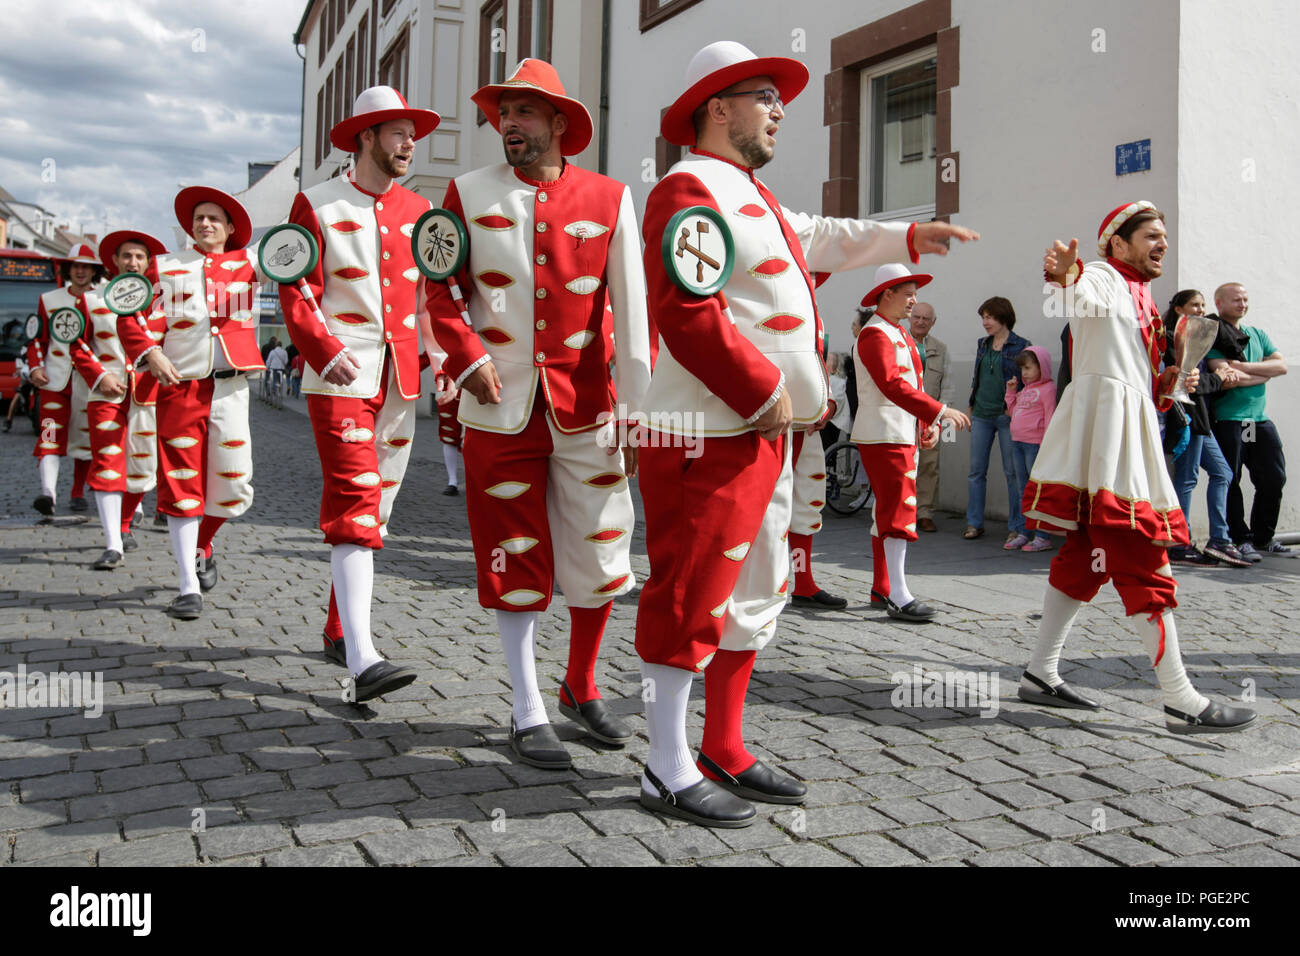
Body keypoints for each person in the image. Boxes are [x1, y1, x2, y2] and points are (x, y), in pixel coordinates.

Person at [634, 40, 978, 827]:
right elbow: (686, 311)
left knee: (754, 591)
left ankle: (722, 743)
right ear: (716, 107)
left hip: (763, 430)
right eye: (763, 95)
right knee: (690, 592)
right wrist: (762, 392)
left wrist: (910, 238)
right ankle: (663, 765)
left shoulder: (753, 195)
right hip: (710, 430)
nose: (780, 108)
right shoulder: (687, 187)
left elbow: (822, 235)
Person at [424, 60, 652, 766]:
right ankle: (527, 708)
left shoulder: (612, 197)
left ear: (559, 123)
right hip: (498, 410)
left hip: (589, 408)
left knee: (602, 548)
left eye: (524, 112)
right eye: (502, 113)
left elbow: (635, 312)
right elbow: (440, 294)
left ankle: (580, 684)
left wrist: (638, 409)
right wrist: (465, 358)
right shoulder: (464, 194)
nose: (509, 124)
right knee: (512, 552)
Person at [1021, 200, 1255, 733]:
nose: (1162, 244)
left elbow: (1142, 377)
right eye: (1150, 235)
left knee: (1085, 556)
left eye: (1163, 237)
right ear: (1118, 243)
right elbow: (1075, 294)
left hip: (1123, 431)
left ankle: (1039, 672)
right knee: (1144, 551)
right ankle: (1180, 699)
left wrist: (1173, 382)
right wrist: (1064, 275)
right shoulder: (1103, 275)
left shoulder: (1145, 297)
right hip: (1110, 437)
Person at [280, 86, 439, 704]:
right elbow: (296, 288)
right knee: (354, 499)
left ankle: (336, 627)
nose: (408, 143)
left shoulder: (421, 209)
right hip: (338, 376)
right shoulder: (314, 203)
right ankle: (363, 658)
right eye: (397, 132)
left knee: (381, 511)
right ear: (365, 136)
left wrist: (443, 361)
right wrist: (324, 350)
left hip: (400, 379)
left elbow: (433, 297)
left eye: (411, 133)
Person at [119, 187, 265, 621]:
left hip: (232, 386)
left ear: (231, 227)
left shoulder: (251, 263)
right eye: (198, 218)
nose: (204, 224)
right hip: (180, 386)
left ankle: (204, 543)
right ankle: (187, 585)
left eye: (213, 219)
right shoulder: (166, 267)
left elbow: (296, 251)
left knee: (235, 483)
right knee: (182, 482)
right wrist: (150, 352)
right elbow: (127, 311)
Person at [854, 264, 971, 621]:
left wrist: (926, 423)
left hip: (898, 431)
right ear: (886, 294)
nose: (913, 301)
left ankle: (883, 586)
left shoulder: (895, 333)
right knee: (899, 509)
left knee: (887, 510)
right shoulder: (876, 335)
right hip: (884, 432)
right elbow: (892, 384)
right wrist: (939, 411)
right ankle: (899, 595)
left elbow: (912, 384)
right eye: (907, 294)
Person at [78, 231, 166, 569]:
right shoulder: (90, 300)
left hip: (147, 393)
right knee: (108, 462)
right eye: (127, 256)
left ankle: (126, 522)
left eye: (139, 257)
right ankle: (113, 542)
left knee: (143, 464)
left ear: (147, 263)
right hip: (105, 393)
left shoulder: (160, 303)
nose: (133, 262)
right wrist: (100, 375)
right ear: (114, 261)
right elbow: (79, 345)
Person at [1161, 290, 1249, 568]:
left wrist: (1216, 379)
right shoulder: (1171, 341)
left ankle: (1219, 540)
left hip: (1201, 420)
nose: (1200, 310)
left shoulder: (1197, 336)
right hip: (1186, 419)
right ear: (1178, 309)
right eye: (1194, 305)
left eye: (1202, 305)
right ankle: (1179, 542)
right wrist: (1219, 378)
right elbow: (1185, 385)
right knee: (1187, 479)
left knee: (1222, 473)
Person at [1206, 282, 1290, 562]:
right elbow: (1225, 377)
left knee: (1273, 478)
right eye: (1235, 300)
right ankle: (1239, 539)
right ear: (1219, 304)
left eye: (1245, 299)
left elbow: (1281, 366)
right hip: (1230, 421)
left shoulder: (1257, 334)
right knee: (1232, 480)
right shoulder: (1215, 335)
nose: (1242, 304)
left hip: (1257, 422)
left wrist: (1243, 367)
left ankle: (1264, 538)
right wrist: (1261, 374)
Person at [28, 244, 98, 517]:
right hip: (55, 380)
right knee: (49, 434)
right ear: (68, 269)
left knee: (85, 437)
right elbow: (36, 338)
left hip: (90, 381)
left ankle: (77, 492)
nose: (80, 271)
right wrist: (35, 368)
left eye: (86, 266)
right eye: (75, 266)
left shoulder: (103, 299)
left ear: (94, 270)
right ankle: (48, 493)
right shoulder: (49, 299)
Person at [964, 296, 1029, 542]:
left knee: (1012, 472)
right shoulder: (983, 344)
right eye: (983, 317)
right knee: (976, 471)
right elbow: (976, 376)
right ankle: (974, 523)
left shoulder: (1021, 345)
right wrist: (970, 405)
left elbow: (1026, 382)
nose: (985, 322)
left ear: (1003, 317)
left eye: (989, 317)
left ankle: (1017, 525)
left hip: (1006, 416)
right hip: (981, 414)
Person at [1003, 347, 1055, 552]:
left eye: (1028, 367)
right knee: (1022, 490)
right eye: (1022, 368)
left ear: (1041, 367)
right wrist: (1011, 392)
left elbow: (1050, 416)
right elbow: (1013, 412)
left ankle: (1042, 536)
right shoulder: (1025, 389)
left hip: (1035, 446)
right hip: (1017, 443)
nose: (1024, 372)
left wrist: (1048, 446)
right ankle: (1025, 532)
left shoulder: (1048, 389)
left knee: (1037, 491)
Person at [908, 301, 952, 532]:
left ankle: (924, 513)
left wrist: (941, 415)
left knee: (928, 465)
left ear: (933, 323)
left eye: (926, 318)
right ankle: (902, 511)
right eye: (917, 317)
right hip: (902, 415)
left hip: (929, 418)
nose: (921, 322)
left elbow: (948, 384)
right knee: (902, 465)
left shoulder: (940, 349)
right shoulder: (898, 343)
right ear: (909, 318)